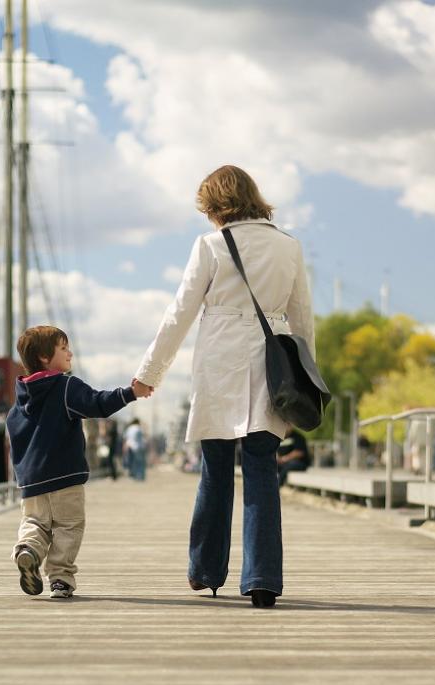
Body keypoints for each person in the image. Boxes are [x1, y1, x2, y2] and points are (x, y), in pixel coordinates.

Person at [133, 165, 315, 609]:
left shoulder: (211, 245)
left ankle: (206, 570)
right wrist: (305, 381)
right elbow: (303, 319)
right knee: (261, 469)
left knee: (215, 470)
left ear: (216, 206)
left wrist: (149, 373)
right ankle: (263, 578)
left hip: (220, 362)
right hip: (271, 365)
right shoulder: (289, 247)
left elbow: (180, 313)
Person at [7, 325, 151, 599]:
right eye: (63, 348)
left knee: (36, 523)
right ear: (44, 358)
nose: (70, 353)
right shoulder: (64, 386)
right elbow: (97, 403)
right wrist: (132, 392)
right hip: (65, 476)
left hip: (31, 482)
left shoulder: (21, 398)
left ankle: (28, 549)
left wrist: (23, 475)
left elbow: (14, 432)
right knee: (68, 527)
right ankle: (60, 579)